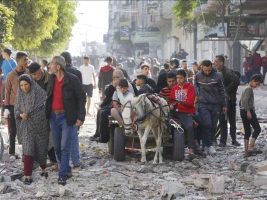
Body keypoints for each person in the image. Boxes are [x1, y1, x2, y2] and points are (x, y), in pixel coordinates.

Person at [46, 56, 86, 185]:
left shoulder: (72, 79)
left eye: (51, 64)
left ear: (58, 66)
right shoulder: (51, 79)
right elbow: (49, 96)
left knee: (64, 147)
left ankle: (62, 175)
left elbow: (81, 98)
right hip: (53, 117)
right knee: (57, 146)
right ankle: (67, 169)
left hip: (67, 117)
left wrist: (80, 117)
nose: (49, 66)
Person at [15, 74, 49, 185]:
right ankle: (27, 175)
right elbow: (16, 111)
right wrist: (21, 115)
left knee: (41, 148)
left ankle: (43, 169)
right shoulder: (19, 96)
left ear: (31, 84)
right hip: (26, 127)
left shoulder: (40, 93)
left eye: (26, 84)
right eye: (21, 85)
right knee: (28, 150)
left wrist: (36, 115)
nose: (24, 87)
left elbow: (46, 109)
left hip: (40, 127)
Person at [28, 62, 57, 170]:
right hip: (37, 113)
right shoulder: (32, 80)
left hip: (50, 112)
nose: (35, 77)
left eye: (35, 74)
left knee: (50, 138)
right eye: (33, 75)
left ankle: (54, 160)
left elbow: (48, 95)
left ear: (40, 70)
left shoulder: (50, 78)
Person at [195, 60, 227, 155]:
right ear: (202, 68)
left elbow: (222, 90)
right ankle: (207, 145)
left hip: (215, 105)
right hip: (203, 104)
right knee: (206, 124)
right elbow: (195, 88)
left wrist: (224, 104)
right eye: (205, 70)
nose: (207, 72)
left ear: (211, 67)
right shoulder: (197, 76)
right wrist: (196, 99)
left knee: (213, 126)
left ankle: (208, 144)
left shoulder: (218, 76)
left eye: (209, 70)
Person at [60, 51, 83, 170]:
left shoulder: (56, 74)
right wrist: (81, 115)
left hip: (59, 109)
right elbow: (80, 94)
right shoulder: (77, 72)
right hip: (73, 110)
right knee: (73, 136)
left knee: (61, 138)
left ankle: (64, 162)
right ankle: (76, 161)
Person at [5, 51, 28, 158]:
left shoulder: (28, 74)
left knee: (26, 130)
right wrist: (6, 108)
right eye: (25, 59)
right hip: (13, 106)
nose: (27, 61)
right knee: (12, 130)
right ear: (18, 61)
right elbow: (7, 92)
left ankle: (26, 153)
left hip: (26, 107)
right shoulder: (10, 76)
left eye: (27, 59)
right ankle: (12, 152)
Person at [214, 55, 241, 147]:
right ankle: (223, 141)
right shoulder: (215, 72)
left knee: (232, 121)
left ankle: (233, 140)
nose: (215, 63)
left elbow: (236, 81)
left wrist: (225, 91)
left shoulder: (228, 72)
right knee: (222, 121)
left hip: (230, 101)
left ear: (221, 62)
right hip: (221, 102)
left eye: (216, 61)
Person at [90, 70, 124, 142]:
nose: (115, 79)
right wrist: (113, 86)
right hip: (112, 106)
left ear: (122, 77)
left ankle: (104, 138)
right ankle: (98, 133)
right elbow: (107, 93)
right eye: (114, 77)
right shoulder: (113, 85)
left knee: (103, 113)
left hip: (121, 107)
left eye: (117, 77)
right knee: (100, 111)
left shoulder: (125, 84)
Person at [170, 69, 196, 157]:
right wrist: (172, 105)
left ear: (185, 78)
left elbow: (190, 102)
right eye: (177, 78)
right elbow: (171, 100)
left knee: (189, 126)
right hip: (175, 112)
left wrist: (178, 103)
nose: (178, 80)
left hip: (186, 112)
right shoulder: (174, 88)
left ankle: (191, 148)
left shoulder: (190, 87)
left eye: (180, 78)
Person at [239, 74, 263, 157]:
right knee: (257, 129)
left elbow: (240, 102)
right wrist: (248, 111)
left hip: (243, 111)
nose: (257, 86)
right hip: (248, 111)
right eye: (257, 84)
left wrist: (243, 110)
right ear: (253, 80)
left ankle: (246, 152)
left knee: (247, 132)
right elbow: (245, 101)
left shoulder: (245, 88)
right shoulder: (248, 89)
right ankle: (250, 147)